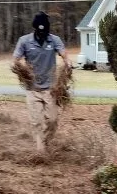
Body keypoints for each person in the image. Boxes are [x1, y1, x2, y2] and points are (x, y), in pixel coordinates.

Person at [13, 12, 72, 157]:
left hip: (50, 89)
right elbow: (15, 59)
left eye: (44, 31)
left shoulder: (54, 40)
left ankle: (44, 142)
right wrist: (18, 67)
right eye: (39, 31)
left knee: (52, 120)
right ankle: (40, 151)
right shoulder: (24, 41)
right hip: (32, 89)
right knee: (36, 121)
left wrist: (68, 63)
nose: (42, 33)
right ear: (34, 29)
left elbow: (64, 54)